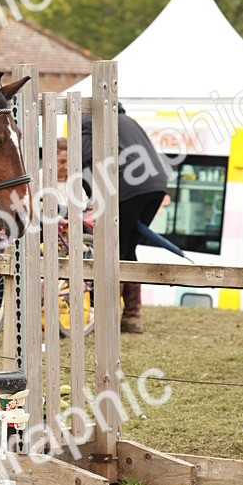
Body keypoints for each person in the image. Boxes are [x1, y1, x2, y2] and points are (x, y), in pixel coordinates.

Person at [81, 102, 171, 333]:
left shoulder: (89, 120)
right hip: (156, 185)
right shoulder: (128, 121)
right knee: (126, 248)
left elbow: (85, 156)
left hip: (129, 187)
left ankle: (106, 318)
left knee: (113, 251)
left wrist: (92, 196)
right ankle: (132, 316)